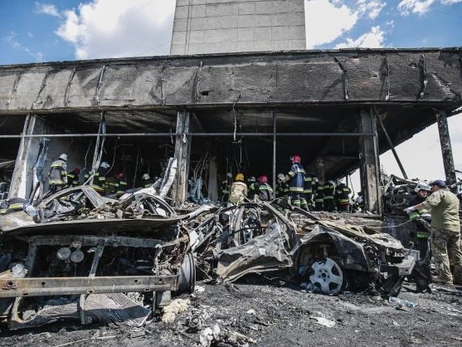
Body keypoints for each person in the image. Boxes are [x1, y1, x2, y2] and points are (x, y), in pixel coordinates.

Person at [405, 179, 462, 285]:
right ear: (418, 191)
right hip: (454, 228)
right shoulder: (453, 196)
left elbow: (429, 203)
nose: (428, 191)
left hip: (441, 228)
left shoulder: (438, 194)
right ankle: (459, 277)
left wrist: (414, 208)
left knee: (441, 253)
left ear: (436, 187)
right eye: (423, 191)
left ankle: (445, 278)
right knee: (456, 254)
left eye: (430, 188)